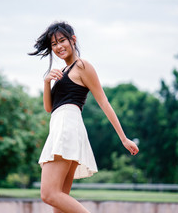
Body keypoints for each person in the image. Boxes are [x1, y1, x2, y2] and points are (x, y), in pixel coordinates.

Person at [29, 21, 139, 213]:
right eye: (54, 44)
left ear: (73, 40)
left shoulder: (82, 66)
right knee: (59, 205)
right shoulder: (62, 72)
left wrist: (123, 138)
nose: (58, 47)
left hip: (67, 127)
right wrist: (46, 82)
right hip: (62, 127)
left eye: (62, 40)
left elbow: (104, 102)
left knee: (49, 194)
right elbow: (49, 108)